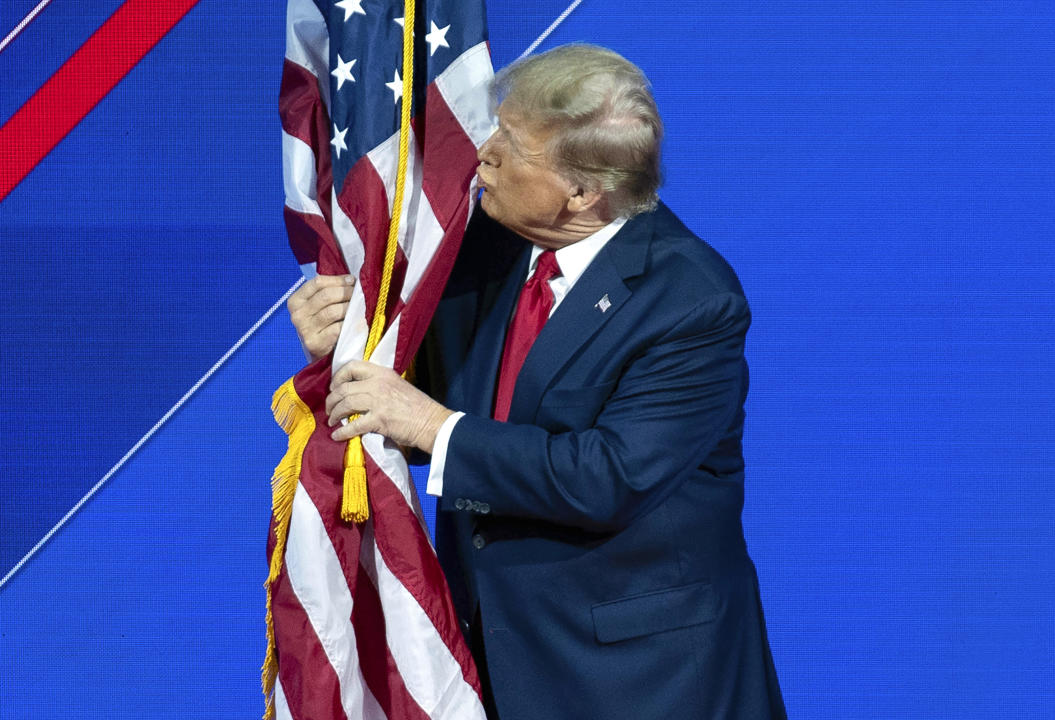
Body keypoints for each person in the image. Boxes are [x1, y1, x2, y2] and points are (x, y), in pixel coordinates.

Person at [290, 44, 786, 720]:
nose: (482, 152)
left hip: (641, 681)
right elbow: (426, 395)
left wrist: (430, 426)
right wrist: (349, 341)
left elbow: (607, 478)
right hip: (493, 654)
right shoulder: (480, 247)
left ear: (582, 191)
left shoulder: (690, 300)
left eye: (509, 144)